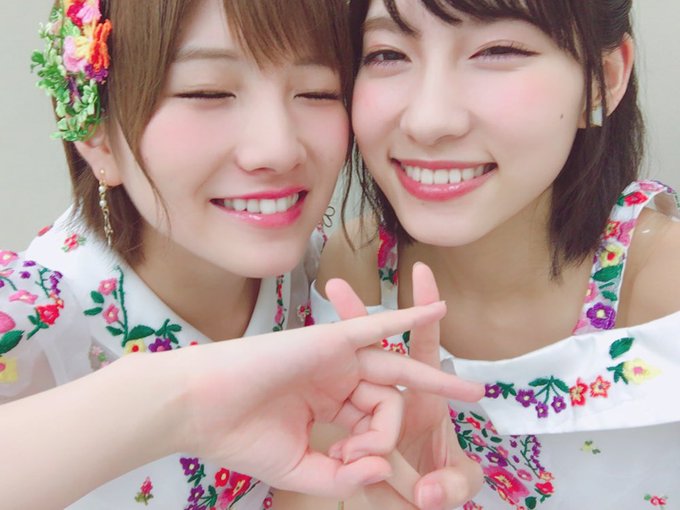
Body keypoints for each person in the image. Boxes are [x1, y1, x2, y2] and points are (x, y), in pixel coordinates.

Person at [0, 0, 486, 508]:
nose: (278, 149)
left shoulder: (328, 279)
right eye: (207, 92)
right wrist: (175, 402)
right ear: (96, 135)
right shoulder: (34, 319)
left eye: (317, 92)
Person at [311, 0, 680, 508]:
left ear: (604, 79)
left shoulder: (665, 290)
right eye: (387, 54)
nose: (429, 121)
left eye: (498, 50)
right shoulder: (357, 270)